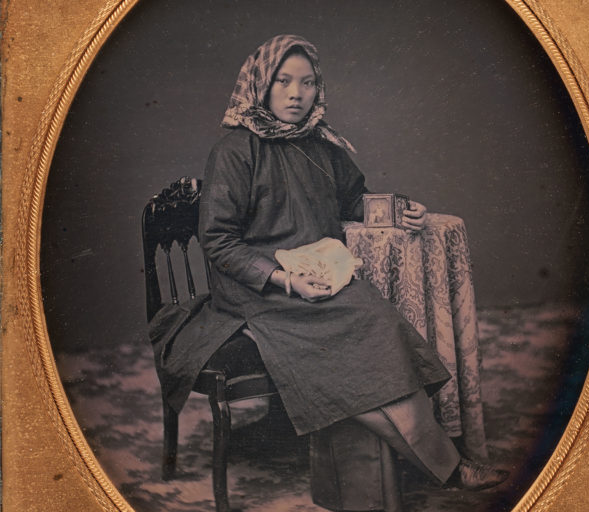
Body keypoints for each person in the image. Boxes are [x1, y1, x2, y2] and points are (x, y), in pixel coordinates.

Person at [167, 34, 507, 511]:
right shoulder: (235, 150)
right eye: (283, 81)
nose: (295, 94)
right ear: (260, 86)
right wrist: (284, 280)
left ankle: (431, 468)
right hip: (257, 289)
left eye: (307, 83)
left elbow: (355, 201)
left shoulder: (321, 146)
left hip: (317, 279)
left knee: (376, 323)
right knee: (361, 331)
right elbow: (220, 242)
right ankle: (450, 468)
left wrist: (402, 209)